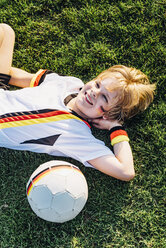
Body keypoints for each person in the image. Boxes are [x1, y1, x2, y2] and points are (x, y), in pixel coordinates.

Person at [0, 24, 156, 181]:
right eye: (97, 84)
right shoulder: (69, 83)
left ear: (109, 114)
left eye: (104, 97)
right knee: (6, 31)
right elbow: (12, 75)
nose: (94, 92)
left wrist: (115, 127)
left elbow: (125, 171)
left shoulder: (76, 135)